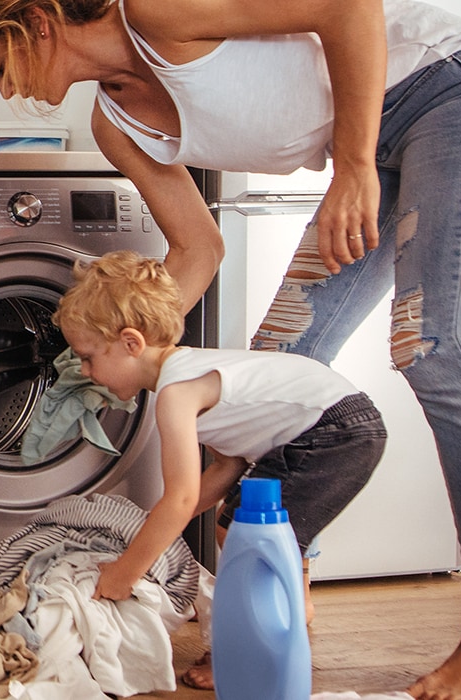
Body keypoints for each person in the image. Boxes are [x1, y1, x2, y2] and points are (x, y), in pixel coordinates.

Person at [0, 1, 461, 697]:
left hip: (457, 87)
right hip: (377, 136)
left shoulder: (155, 9)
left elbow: (350, 7)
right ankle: (283, 598)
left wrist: (351, 166)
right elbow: (199, 248)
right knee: (272, 364)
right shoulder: (116, 127)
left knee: (437, 347)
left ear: (38, 24)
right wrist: (121, 349)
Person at [55, 250, 386, 683]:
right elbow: (226, 469)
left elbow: (181, 497)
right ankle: (280, 617)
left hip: (332, 429)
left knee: (243, 530)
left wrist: (125, 572)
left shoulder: (177, 393)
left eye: (88, 357)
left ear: (131, 343)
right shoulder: (188, 373)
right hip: (335, 423)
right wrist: (146, 533)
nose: (84, 370)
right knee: (241, 525)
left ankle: (249, 650)